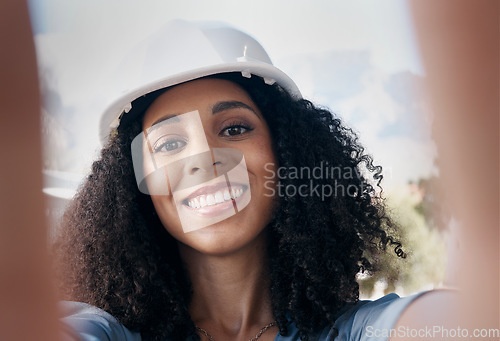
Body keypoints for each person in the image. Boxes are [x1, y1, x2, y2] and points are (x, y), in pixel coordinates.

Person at [54, 20, 432, 341]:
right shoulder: (106, 331)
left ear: (286, 153)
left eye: (234, 128)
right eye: (169, 143)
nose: (205, 159)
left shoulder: (351, 331)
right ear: (134, 183)